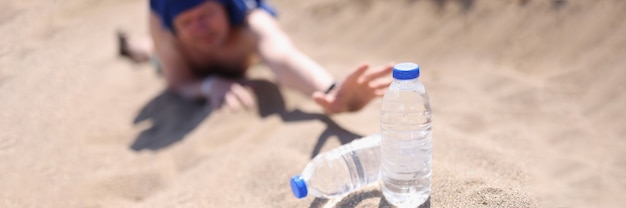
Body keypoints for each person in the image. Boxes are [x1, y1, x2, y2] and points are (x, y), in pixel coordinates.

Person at [119, 0, 393, 114]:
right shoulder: (165, 28)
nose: (199, 29)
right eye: (187, 22)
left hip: (238, 55)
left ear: (225, 8)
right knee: (152, 53)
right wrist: (208, 85)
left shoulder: (252, 23)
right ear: (174, 27)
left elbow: (284, 59)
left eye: (206, 15)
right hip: (185, 61)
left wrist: (331, 91)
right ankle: (134, 46)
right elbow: (178, 82)